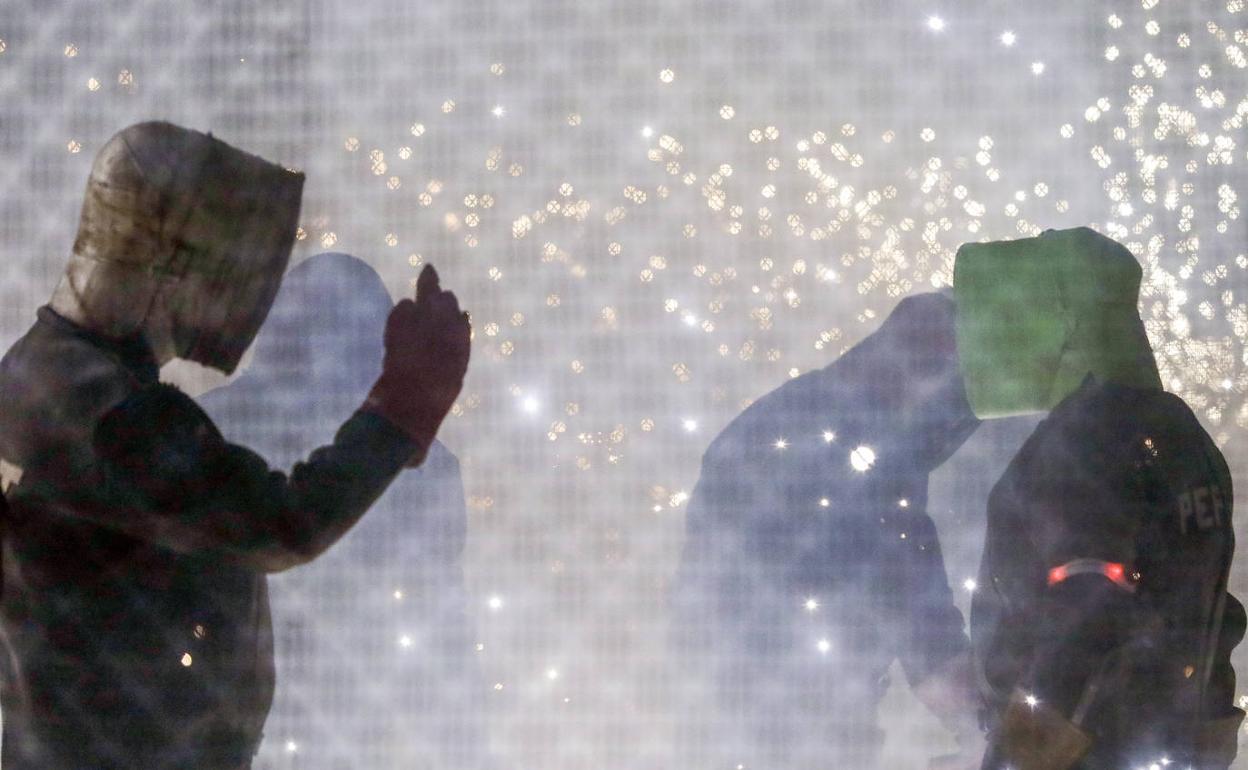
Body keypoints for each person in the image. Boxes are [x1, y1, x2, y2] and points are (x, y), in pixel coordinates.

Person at [0, 122, 471, 769]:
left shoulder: (43, 375)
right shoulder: (108, 413)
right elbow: (283, 524)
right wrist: (399, 414)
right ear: (163, 258)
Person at [957, 227, 1244, 769]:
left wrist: (1022, 755)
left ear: (1059, 323)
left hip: (1091, 748)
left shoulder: (1087, 437)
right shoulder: (1174, 427)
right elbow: (1210, 608)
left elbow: (1088, 610)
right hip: (1165, 740)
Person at [198, 252, 491, 770]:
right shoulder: (419, 458)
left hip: (228, 706)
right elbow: (445, 621)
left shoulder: (213, 425)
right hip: (354, 709)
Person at [671, 292, 986, 769]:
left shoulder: (812, 417)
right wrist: (977, 722)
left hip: (742, 708)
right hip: (789, 719)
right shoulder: (859, 447)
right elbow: (909, 591)